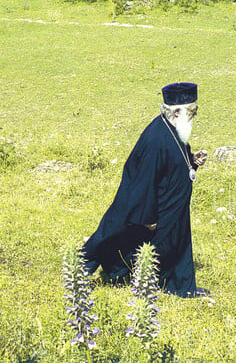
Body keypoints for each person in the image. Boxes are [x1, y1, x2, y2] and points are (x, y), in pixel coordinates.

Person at [82, 82, 209, 297]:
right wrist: (147, 217)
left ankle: (179, 286)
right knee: (115, 235)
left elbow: (172, 163)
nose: (195, 115)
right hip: (155, 207)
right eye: (192, 111)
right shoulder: (155, 138)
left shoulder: (174, 128)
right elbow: (144, 181)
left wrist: (192, 161)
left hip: (172, 207)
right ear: (177, 111)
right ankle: (81, 270)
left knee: (175, 245)